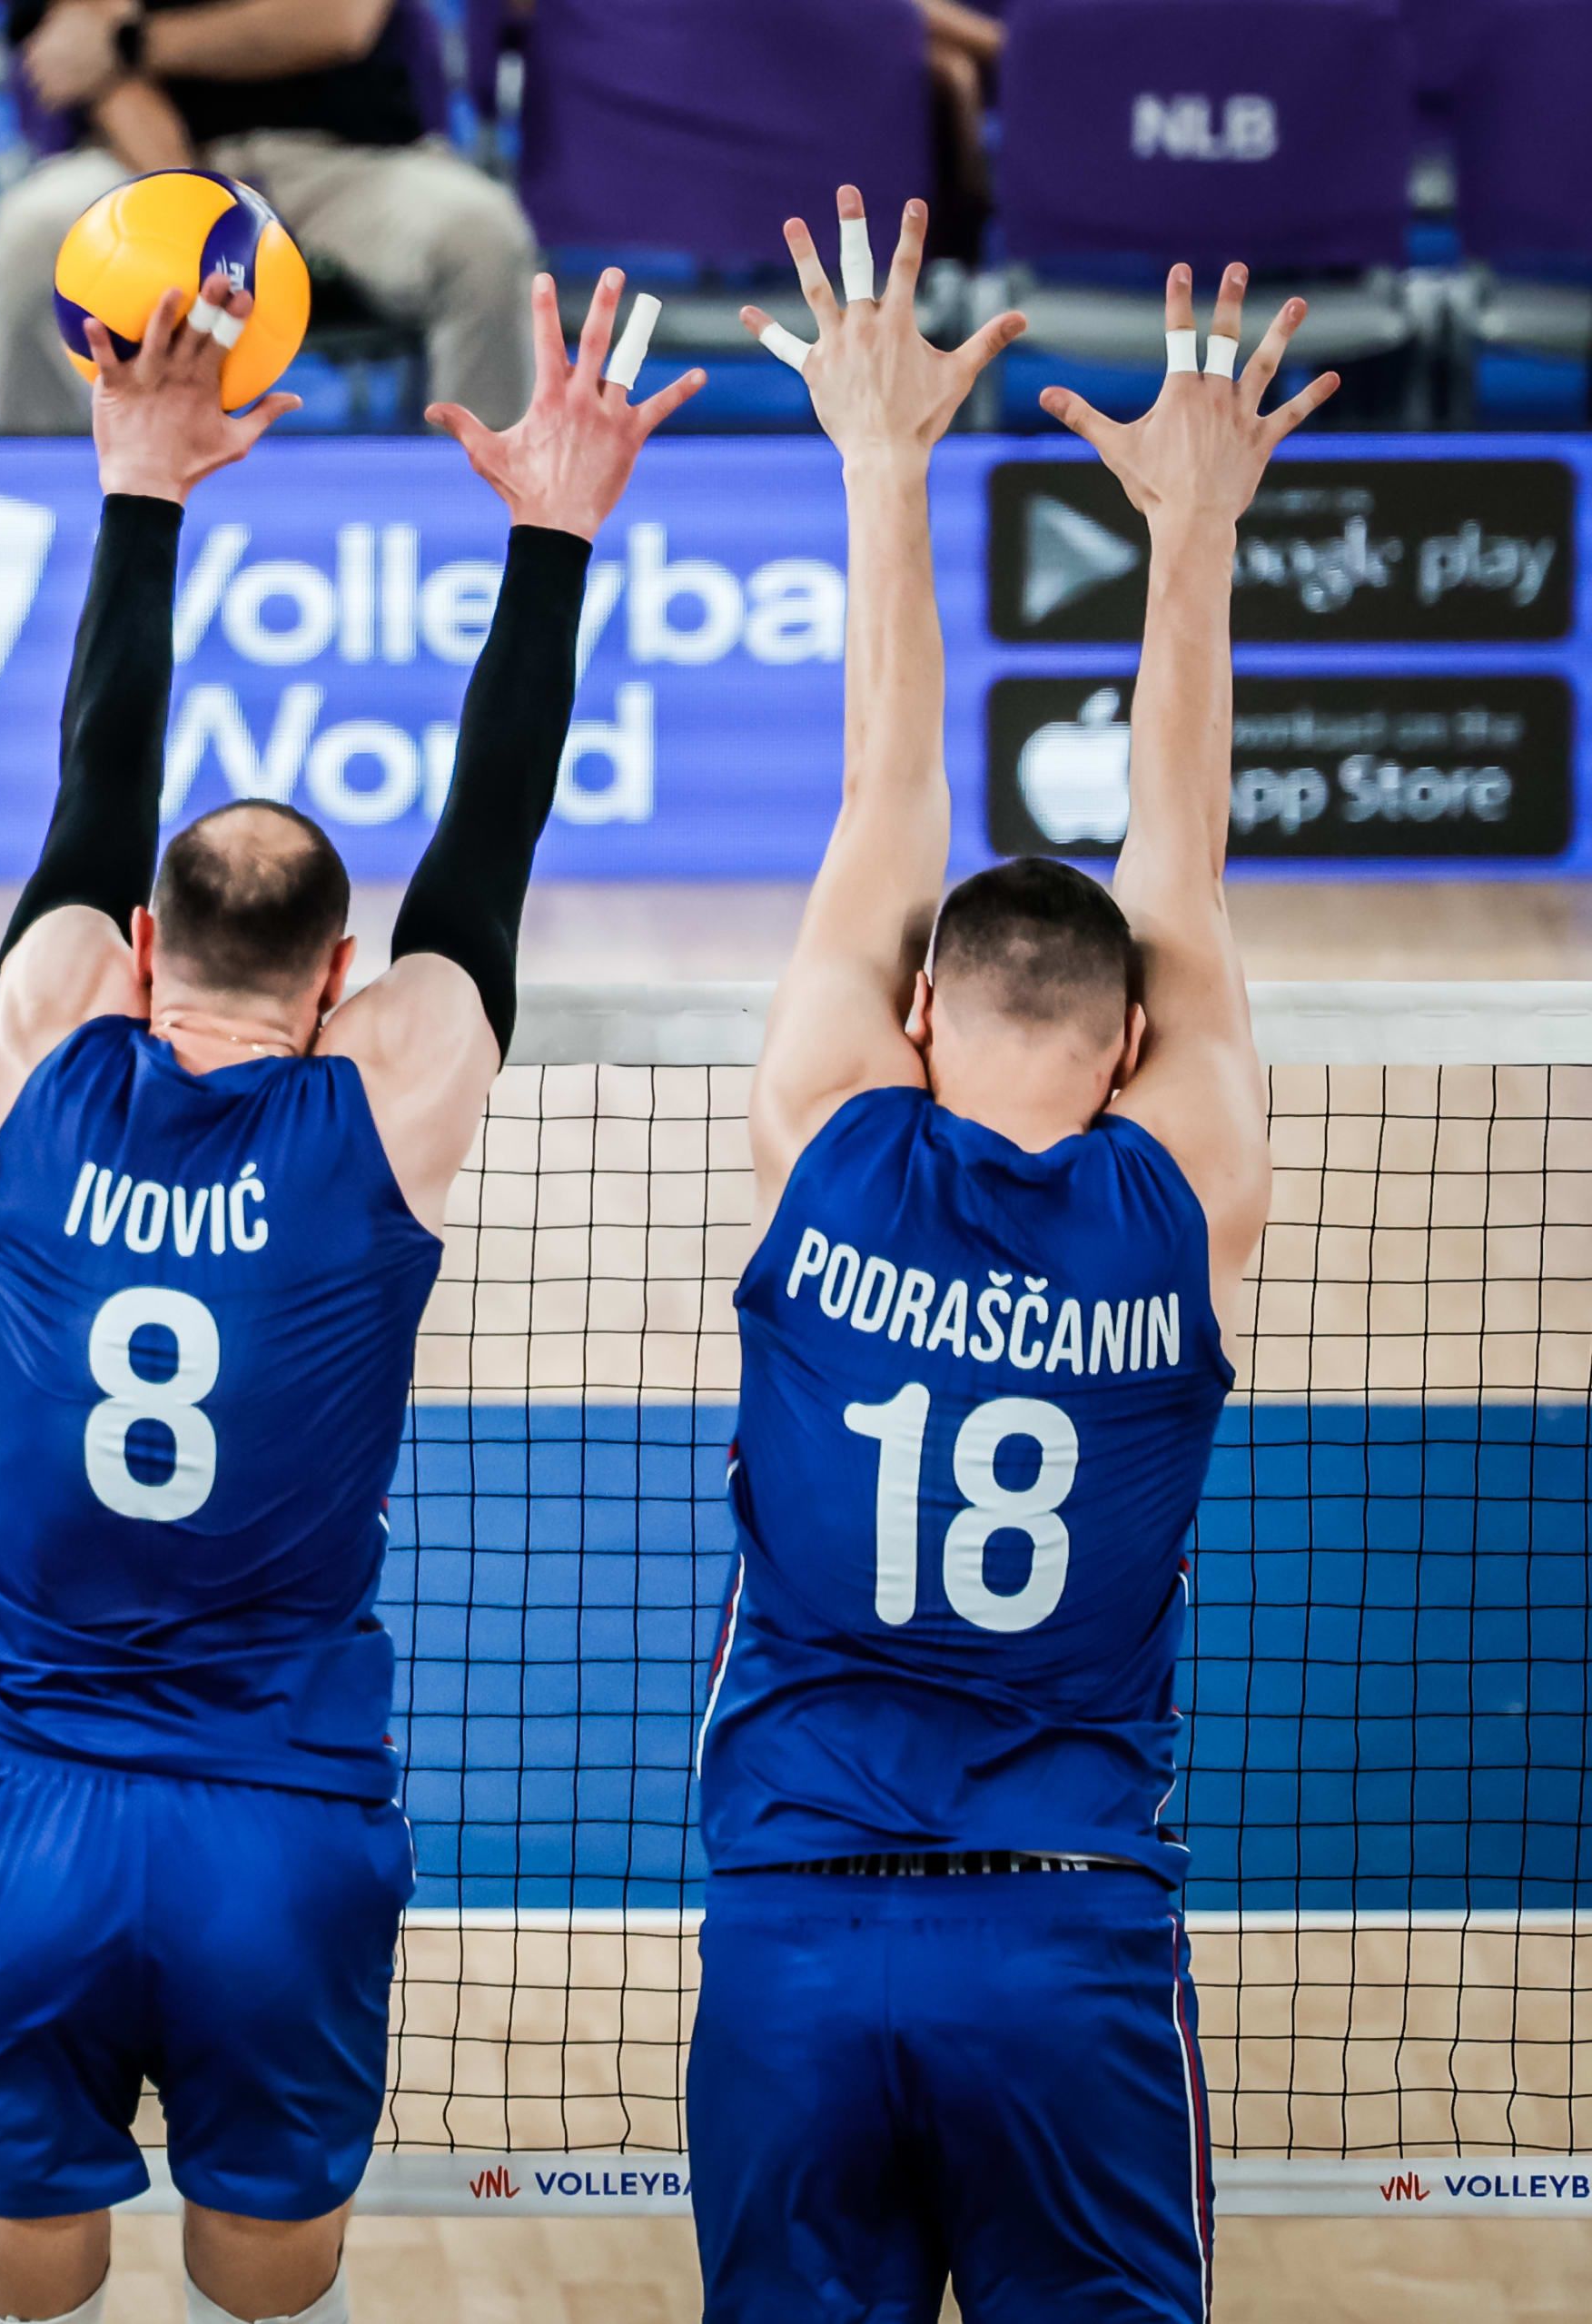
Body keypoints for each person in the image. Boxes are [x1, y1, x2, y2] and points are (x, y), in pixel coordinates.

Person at [0, 268, 697, 2324]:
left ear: (133, 952)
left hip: (29, 1803)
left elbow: (90, 789)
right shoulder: (387, 1113)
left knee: (14, 2280)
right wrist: (552, 530)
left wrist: (140, 480)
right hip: (282, 1812)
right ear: (342, 977)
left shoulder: (44, 1043)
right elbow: (488, 844)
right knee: (267, 2286)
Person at [692, 190, 1336, 2322]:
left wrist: (880, 467)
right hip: (1063, 1935)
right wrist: (1192, 529)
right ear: (1135, 1041)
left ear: (911, 1018)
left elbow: (885, 788)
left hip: (794, 1920)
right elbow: (1181, 849)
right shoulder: (1184, 1194)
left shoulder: (830, 1142)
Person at [0, 0, 537, 434]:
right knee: (34, 242)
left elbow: (339, 21)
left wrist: (130, 41)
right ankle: (44, 528)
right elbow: (75, 52)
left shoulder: (130, 41)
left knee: (482, 238)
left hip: (351, 158)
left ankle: (485, 535)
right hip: (148, 157)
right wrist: (199, 201)